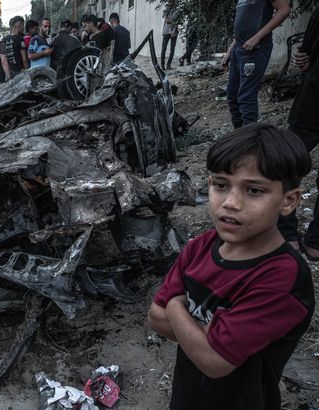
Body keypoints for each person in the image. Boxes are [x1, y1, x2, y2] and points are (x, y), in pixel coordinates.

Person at [148, 123, 314, 409]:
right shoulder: (200, 247)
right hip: (188, 395)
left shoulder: (282, 277)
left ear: (288, 201)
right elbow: (154, 318)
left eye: (253, 190)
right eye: (220, 185)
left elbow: (214, 361)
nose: (231, 203)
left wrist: (177, 307)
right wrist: (203, 336)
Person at [278, 6, 319, 259]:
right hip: (313, 97)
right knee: (287, 162)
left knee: (287, 162)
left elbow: (305, 54)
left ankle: (288, 237)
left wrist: (305, 58)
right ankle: (312, 243)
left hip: (314, 99)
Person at [222, 0, 291, 128]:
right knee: (232, 95)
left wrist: (257, 37)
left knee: (246, 96)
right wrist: (229, 51)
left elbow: (284, 9)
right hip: (238, 49)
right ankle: (239, 135)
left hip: (255, 49)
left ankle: (249, 137)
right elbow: (244, 25)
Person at [161, 1, 179, 70]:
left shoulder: (177, 11)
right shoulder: (166, 10)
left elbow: (178, 21)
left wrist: (174, 29)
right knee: (163, 49)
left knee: (172, 49)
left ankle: (168, 65)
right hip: (166, 32)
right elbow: (166, 20)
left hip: (174, 32)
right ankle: (162, 65)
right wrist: (173, 23)